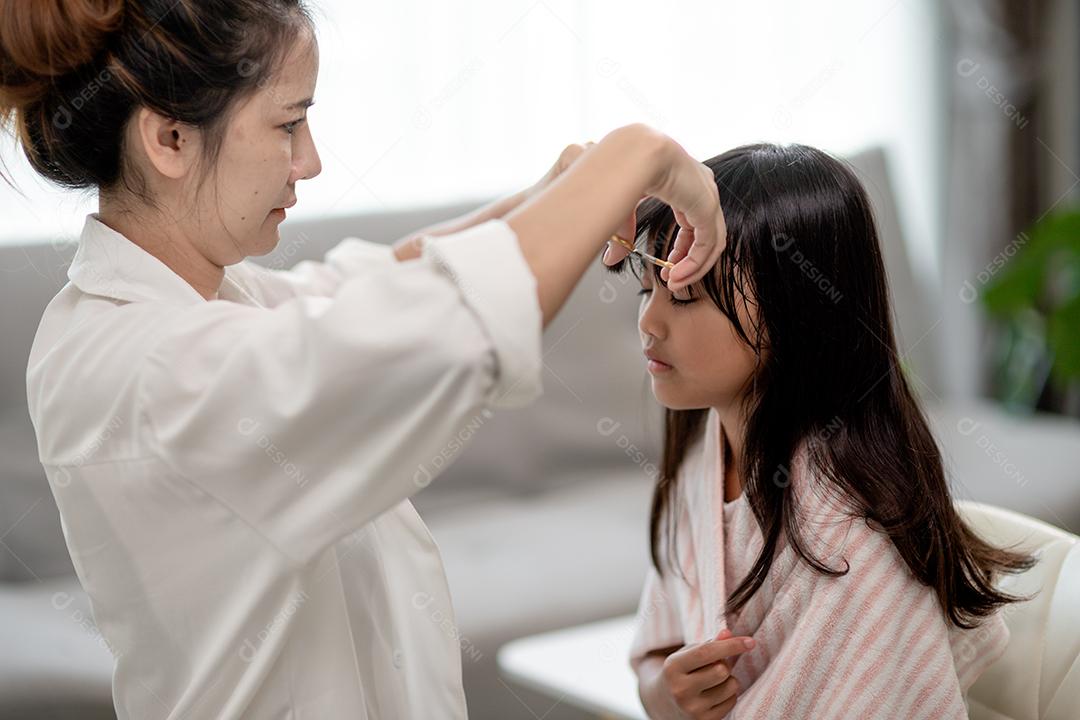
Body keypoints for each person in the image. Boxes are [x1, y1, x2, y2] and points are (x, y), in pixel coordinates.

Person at [0, 1, 725, 717]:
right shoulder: (153, 369)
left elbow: (372, 283)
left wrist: (554, 194)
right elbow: (437, 326)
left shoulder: (200, 300)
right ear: (169, 138)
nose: (309, 162)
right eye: (288, 124)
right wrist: (640, 154)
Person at [612, 144, 1036, 719]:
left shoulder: (848, 539)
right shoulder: (702, 451)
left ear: (800, 314)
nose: (649, 321)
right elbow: (656, 647)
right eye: (648, 287)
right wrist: (662, 692)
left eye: (687, 294)